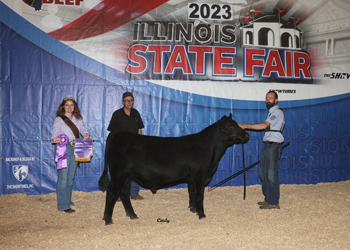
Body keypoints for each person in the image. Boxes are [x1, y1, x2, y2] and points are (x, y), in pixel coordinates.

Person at [238, 90, 285, 209]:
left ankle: (274, 203)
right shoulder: (271, 113)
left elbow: (264, 126)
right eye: (266, 98)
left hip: (274, 146)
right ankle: (268, 199)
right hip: (268, 145)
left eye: (270, 98)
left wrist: (245, 126)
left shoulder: (277, 112)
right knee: (263, 173)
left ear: (276, 100)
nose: (268, 100)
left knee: (271, 174)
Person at [52, 95, 90, 213]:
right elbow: (55, 132)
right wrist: (55, 138)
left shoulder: (78, 118)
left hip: (76, 148)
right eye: (67, 105)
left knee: (70, 177)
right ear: (63, 107)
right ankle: (63, 205)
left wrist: (86, 134)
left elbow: (83, 129)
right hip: (63, 149)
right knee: (63, 178)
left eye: (71, 105)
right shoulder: (59, 119)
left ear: (75, 107)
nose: (69, 107)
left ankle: (67, 200)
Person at [107, 92, 145, 200]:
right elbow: (113, 132)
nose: (129, 102)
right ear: (122, 102)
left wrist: (140, 144)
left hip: (134, 148)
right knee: (120, 171)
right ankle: (118, 193)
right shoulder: (117, 114)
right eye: (127, 100)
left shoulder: (135, 113)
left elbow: (139, 130)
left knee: (134, 170)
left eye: (131, 100)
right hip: (121, 148)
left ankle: (134, 193)